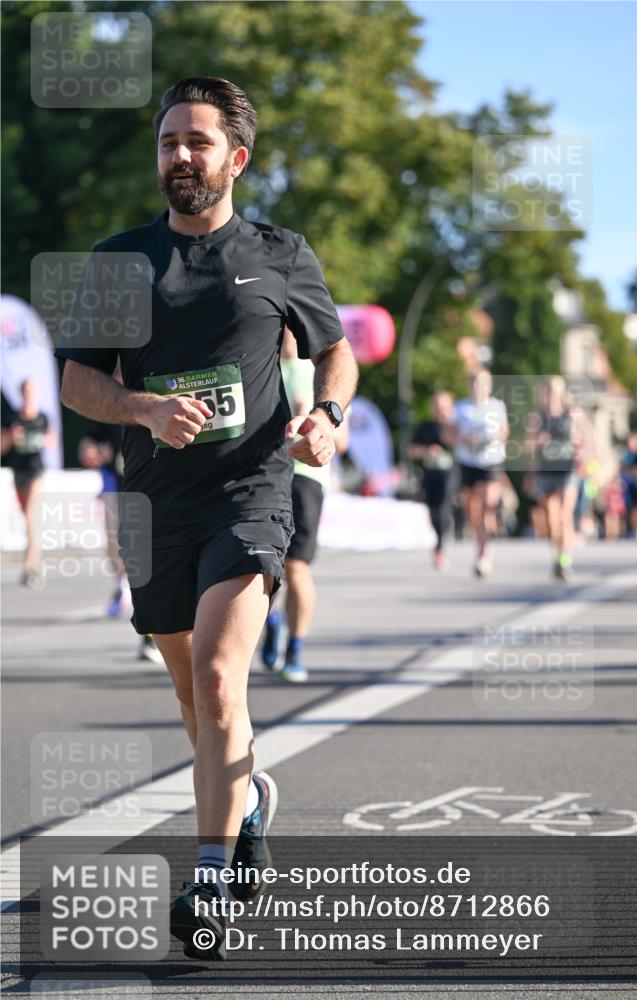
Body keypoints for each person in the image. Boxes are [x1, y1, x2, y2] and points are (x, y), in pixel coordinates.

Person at [55, 76, 358, 961]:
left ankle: (212, 874)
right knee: (194, 697)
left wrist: (328, 420)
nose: (179, 156)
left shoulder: (280, 253)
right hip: (155, 506)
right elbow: (79, 381)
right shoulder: (121, 261)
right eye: (167, 143)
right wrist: (144, 409)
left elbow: (335, 355)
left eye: (196, 141)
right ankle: (251, 798)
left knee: (224, 680)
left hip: (252, 494)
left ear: (237, 157)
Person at [261, 329, 349, 682]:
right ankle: (271, 621)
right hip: (263, 473)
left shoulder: (324, 373)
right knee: (262, 566)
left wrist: (318, 424)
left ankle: (295, 647)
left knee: (296, 568)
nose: (287, 337)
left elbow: (342, 440)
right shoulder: (260, 367)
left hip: (306, 477)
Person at [78, 417, 162, 663]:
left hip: (157, 487)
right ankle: (145, 625)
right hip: (119, 485)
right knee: (128, 551)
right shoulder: (113, 402)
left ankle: (155, 630)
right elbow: (88, 442)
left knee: (152, 558)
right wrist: (91, 450)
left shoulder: (161, 392)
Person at [1, 378, 55, 587]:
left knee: (31, 517)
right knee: (28, 521)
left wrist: (43, 438)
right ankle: (37, 561)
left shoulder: (42, 418)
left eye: (31, 391)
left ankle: (30, 567)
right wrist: (10, 437)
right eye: (25, 391)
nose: (28, 395)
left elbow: (51, 442)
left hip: (36, 471)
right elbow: (2, 448)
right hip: (18, 471)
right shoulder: (12, 418)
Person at [453, 370, 508, 577]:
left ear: (489, 386)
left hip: (491, 462)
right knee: (473, 512)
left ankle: (483, 555)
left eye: (483, 383)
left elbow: (504, 432)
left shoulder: (496, 407)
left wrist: (490, 439)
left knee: (487, 508)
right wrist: (465, 439)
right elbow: (451, 434)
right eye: (475, 383)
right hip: (468, 462)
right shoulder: (461, 407)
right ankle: (484, 544)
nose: (479, 387)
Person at [527, 376, 581, 580]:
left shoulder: (572, 414)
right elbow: (527, 446)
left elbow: (585, 437)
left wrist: (581, 447)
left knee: (565, 513)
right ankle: (557, 555)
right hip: (545, 471)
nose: (549, 396)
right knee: (551, 518)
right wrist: (538, 441)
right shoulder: (537, 417)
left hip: (567, 470)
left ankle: (564, 560)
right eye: (546, 392)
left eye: (553, 392)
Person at [409, 391, 457, 570]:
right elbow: (411, 449)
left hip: (448, 473)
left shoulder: (453, 426)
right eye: (437, 407)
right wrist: (426, 451)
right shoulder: (425, 426)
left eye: (443, 407)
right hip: (429, 472)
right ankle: (437, 543)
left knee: (443, 507)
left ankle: (440, 548)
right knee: (432, 510)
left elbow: (459, 444)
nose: (440, 411)